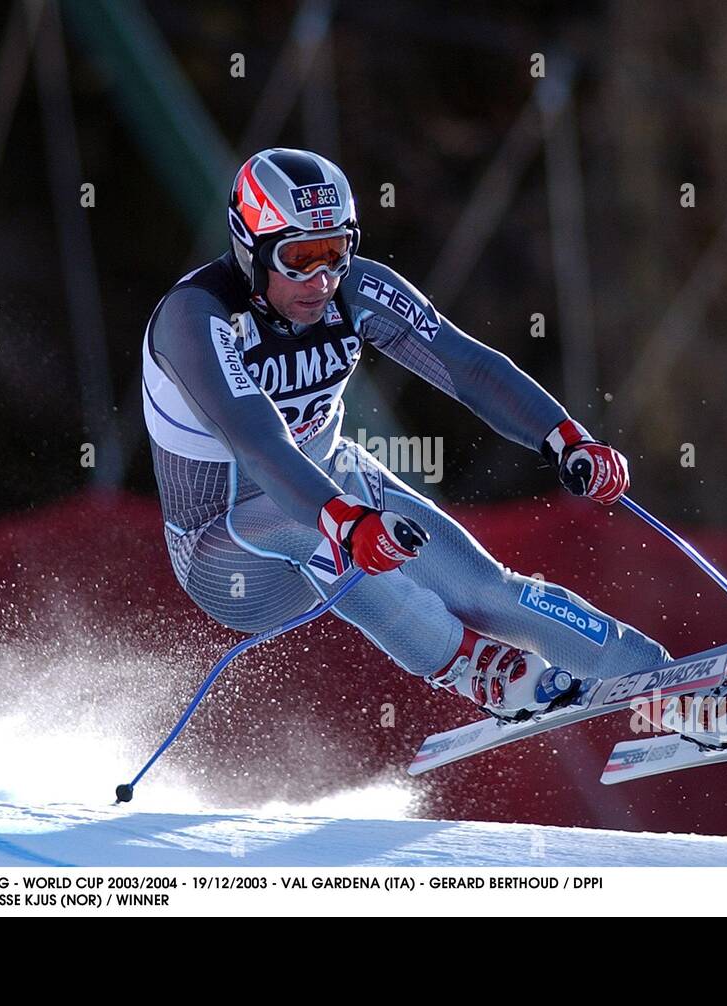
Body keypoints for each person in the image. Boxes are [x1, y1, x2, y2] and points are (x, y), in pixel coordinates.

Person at [143, 147, 669, 721]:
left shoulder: (355, 289)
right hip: (224, 550)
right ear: (250, 248)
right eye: (299, 257)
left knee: (488, 590)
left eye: (336, 252)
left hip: (331, 489)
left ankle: (668, 688)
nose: (321, 280)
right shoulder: (194, 317)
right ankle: (470, 666)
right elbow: (256, 439)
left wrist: (566, 438)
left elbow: (464, 364)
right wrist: (343, 517)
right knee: (321, 533)